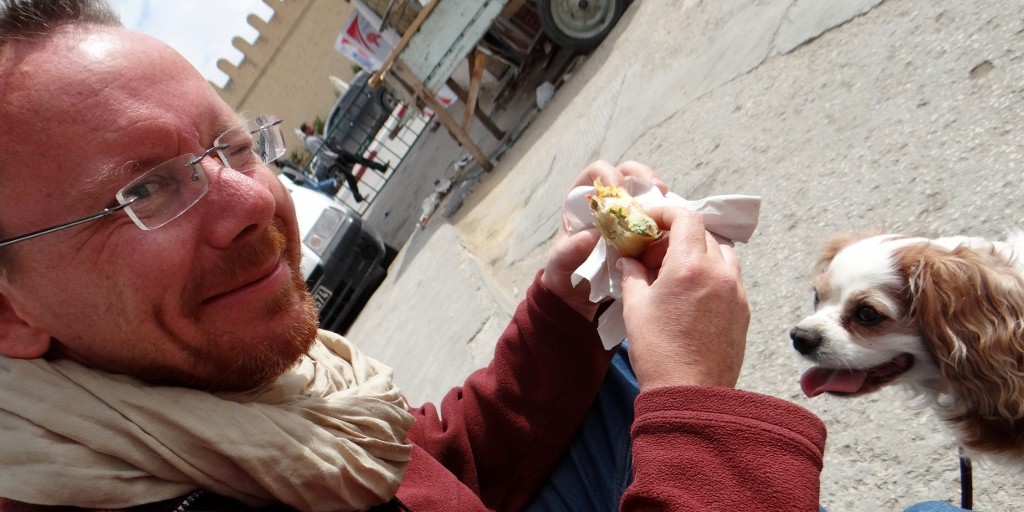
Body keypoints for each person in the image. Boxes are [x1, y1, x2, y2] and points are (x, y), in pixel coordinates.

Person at [0, 1, 830, 511]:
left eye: (234, 144)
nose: (256, 204)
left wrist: (562, 308)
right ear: (11, 313)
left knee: (606, 366)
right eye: (145, 190)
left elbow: (426, 465)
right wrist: (702, 414)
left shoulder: (227, 397)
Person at [300, 122, 388, 202]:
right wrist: (335, 156)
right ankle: (357, 196)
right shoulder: (310, 141)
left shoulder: (313, 137)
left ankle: (381, 168)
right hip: (336, 158)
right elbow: (322, 153)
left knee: (359, 161)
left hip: (339, 153)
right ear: (306, 130)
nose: (312, 127)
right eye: (309, 127)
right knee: (350, 175)